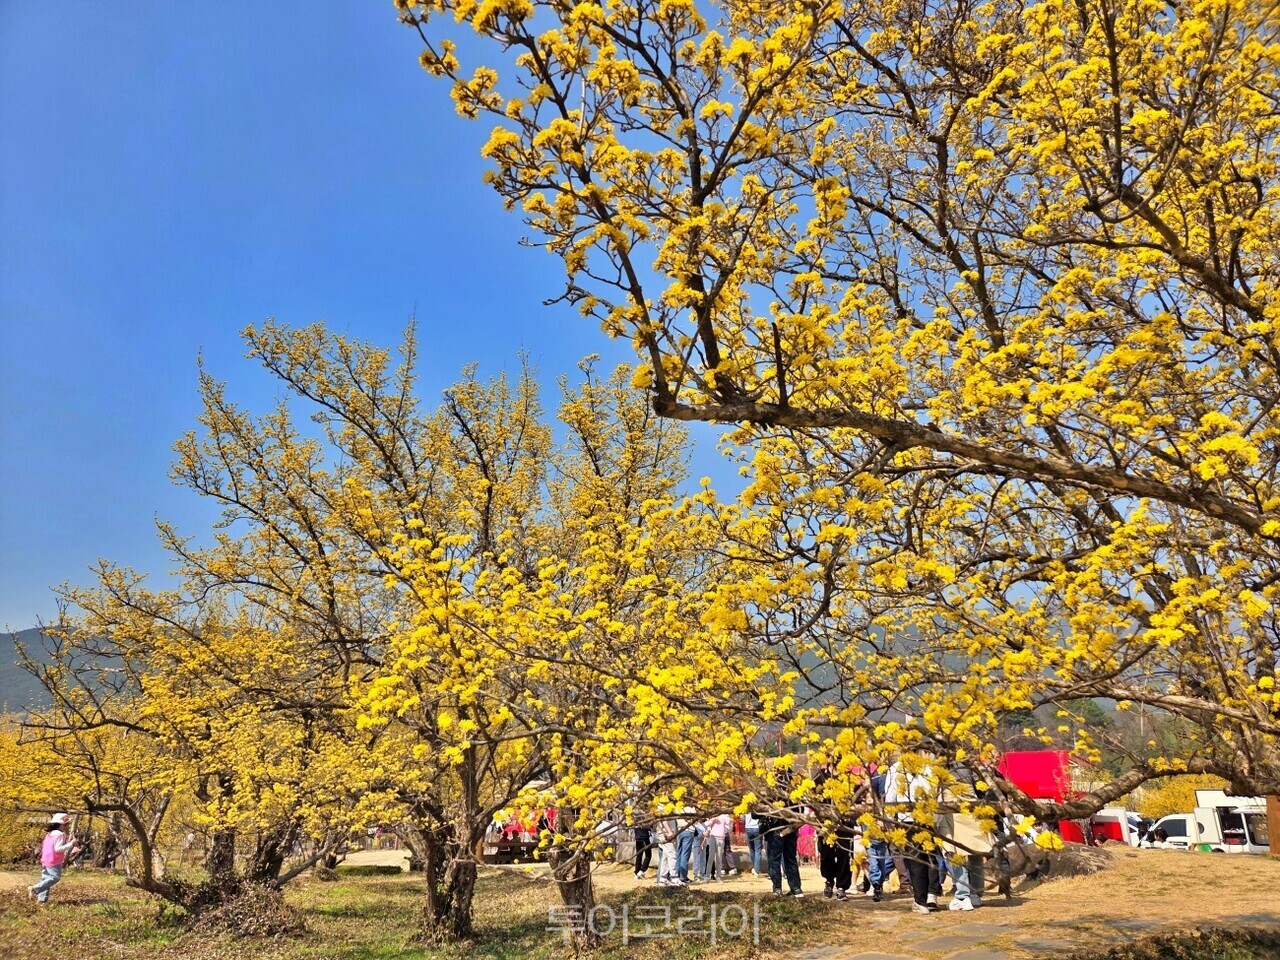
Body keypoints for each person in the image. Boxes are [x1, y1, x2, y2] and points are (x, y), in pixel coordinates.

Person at [29, 813, 80, 905]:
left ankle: (41, 900)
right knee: (55, 877)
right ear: (60, 824)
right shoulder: (60, 834)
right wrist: (71, 844)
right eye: (65, 825)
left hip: (45, 859)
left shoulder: (49, 834)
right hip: (54, 860)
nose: (66, 827)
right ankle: (34, 888)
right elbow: (58, 849)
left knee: (46, 879)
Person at [744, 811, 763, 875]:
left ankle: (754, 867)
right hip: (757, 828)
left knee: (751, 849)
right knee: (758, 850)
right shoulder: (757, 809)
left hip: (748, 828)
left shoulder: (746, 808)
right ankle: (757, 870)